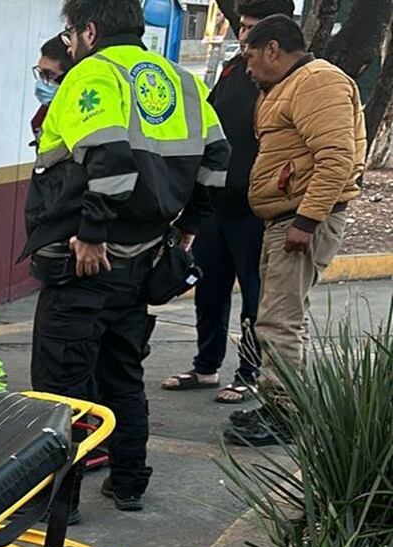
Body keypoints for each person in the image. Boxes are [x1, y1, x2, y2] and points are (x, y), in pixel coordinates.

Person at [18, 0, 229, 511]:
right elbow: (218, 159)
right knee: (122, 375)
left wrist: (92, 233)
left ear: (89, 30)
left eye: (70, 33)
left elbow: (110, 162)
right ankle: (130, 481)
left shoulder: (94, 74)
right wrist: (187, 227)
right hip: (143, 260)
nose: (70, 43)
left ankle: (59, 503)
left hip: (83, 260)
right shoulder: (181, 81)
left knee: (61, 385)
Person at [225, 15, 366, 447]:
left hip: (300, 220)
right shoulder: (286, 86)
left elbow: (336, 158)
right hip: (285, 218)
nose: (247, 66)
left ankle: (284, 415)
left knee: (280, 321)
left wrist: (306, 221)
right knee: (276, 317)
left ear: (272, 48)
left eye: (250, 55)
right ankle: (278, 405)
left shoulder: (317, 81)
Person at [161, 0, 294, 406]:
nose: (244, 36)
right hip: (216, 203)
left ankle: (249, 374)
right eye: (242, 27)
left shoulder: (290, 81)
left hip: (257, 210)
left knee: (256, 299)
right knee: (208, 288)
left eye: (253, 29)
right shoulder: (236, 69)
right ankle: (206, 366)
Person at [29, 36, 73, 151]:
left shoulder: (80, 113)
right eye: (41, 74)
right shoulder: (39, 119)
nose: (43, 82)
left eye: (49, 74)